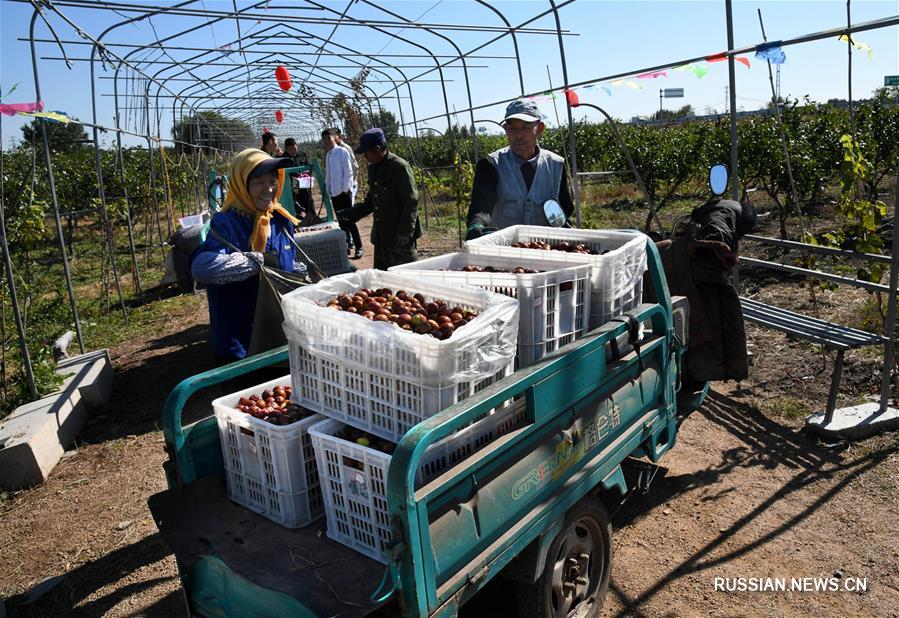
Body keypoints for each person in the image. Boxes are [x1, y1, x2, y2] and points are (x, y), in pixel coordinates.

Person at [190, 148, 300, 364]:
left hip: (279, 332)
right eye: (258, 182)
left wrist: (295, 273)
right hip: (240, 339)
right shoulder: (228, 223)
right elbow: (201, 268)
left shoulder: (280, 220)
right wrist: (252, 262)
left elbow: (288, 259)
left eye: (272, 180)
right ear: (242, 184)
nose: (268, 189)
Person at [465, 98, 574, 240]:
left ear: (540, 129)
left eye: (525, 127)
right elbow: (481, 208)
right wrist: (476, 226)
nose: (518, 135)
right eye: (512, 128)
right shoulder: (491, 165)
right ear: (505, 130)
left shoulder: (555, 164)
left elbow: (564, 210)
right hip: (505, 251)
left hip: (545, 249)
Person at [339, 128, 421, 269]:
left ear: (377, 149)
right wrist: (353, 213)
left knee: (405, 281)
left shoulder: (399, 167)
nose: (364, 156)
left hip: (399, 237)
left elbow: (411, 202)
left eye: (366, 152)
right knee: (382, 281)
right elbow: (372, 200)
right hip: (382, 236)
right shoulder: (373, 168)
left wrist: (404, 234)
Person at [322, 128, 363, 259]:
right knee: (341, 222)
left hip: (343, 192)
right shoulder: (328, 155)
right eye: (324, 139)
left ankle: (359, 247)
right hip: (334, 193)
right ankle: (346, 246)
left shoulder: (342, 151)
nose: (327, 141)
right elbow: (328, 174)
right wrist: (328, 188)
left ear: (334, 137)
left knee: (350, 221)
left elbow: (349, 171)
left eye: (329, 138)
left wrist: (345, 189)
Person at [283, 137, 314, 220]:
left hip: (304, 183)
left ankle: (311, 216)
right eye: (290, 149)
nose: (293, 151)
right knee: (295, 202)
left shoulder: (302, 154)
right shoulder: (283, 159)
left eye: (294, 148)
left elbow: (308, 166)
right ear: (286, 149)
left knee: (308, 199)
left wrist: (307, 174)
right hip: (291, 187)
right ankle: (297, 218)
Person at [331, 127, 359, 203]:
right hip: (341, 186)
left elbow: (354, 165)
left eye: (333, 136)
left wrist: (352, 181)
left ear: (339, 136)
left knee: (349, 208)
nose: (331, 139)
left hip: (349, 185)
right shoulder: (333, 151)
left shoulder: (345, 148)